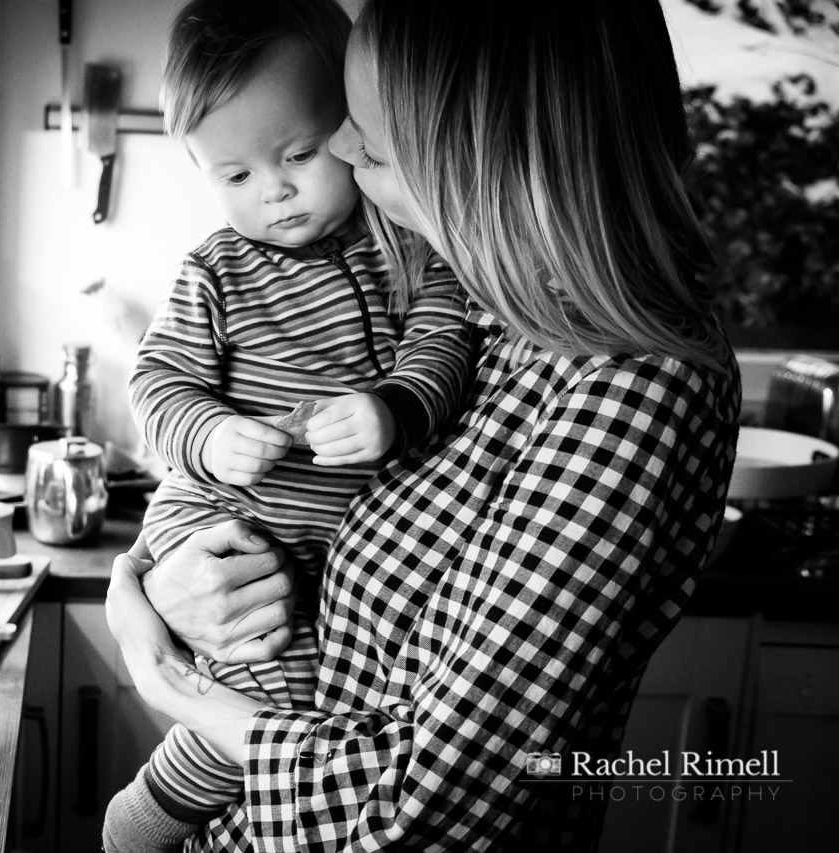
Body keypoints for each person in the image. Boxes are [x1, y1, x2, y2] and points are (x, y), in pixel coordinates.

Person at [105, 0, 743, 850]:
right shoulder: (494, 318)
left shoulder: (636, 387)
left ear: (492, 154)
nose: (337, 153)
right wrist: (151, 579)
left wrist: (173, 686)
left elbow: (417, 816)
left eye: (368, 139)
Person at [105, 0, 474, 849]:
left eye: (299, 154)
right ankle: (146, 816)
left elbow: (445, 338)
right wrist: (207, 433)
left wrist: (396, 407)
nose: (273, 192)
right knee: (282, 700)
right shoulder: (217, 269)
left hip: (315, 550)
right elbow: (157, 381)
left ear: (346, 129)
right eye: (234, 176)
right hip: (216, 514)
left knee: (301, 703)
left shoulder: (405, 248)